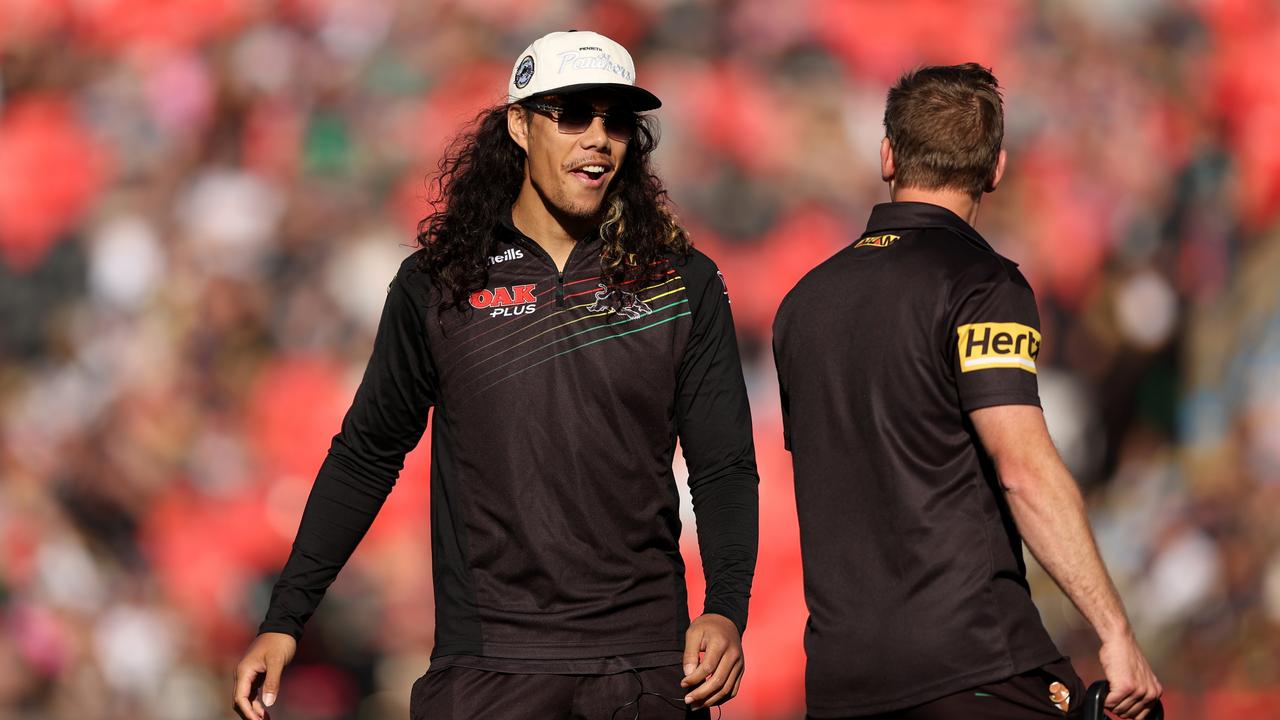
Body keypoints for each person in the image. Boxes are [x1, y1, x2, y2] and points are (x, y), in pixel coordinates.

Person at [232, 30, 758, 720]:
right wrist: (285, 617)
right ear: (519, 124)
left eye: (617, 120)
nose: (598, 138)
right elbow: (367, 455)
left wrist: (725, 610)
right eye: (572, 113)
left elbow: (722, 465)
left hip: (644, 668)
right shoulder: (439, 284)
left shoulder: (681, 281)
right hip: (487, 667)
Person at [772, 64, 1162, 720]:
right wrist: (1115, 632)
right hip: (971, 657)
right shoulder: (983, 286)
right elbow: (1024, 472)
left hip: (840, 679)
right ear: (997, 168)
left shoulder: (801, 305)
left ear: (888, 155)